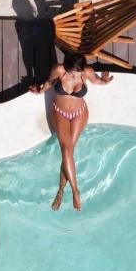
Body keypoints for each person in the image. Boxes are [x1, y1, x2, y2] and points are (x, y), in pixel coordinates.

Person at [29, 54, 113, 211]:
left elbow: (96, 81)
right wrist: (40, 92)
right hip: (60, 112)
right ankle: (75, 191)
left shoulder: (86, 72)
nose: (75, 76)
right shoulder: (59, 70)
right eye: (72, 73)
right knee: (66, 150)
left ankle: (60, 191)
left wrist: (104, 80)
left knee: (68, 153)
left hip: (79, 113)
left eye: (78, 73)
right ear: (66, 67)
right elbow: (49, 83)